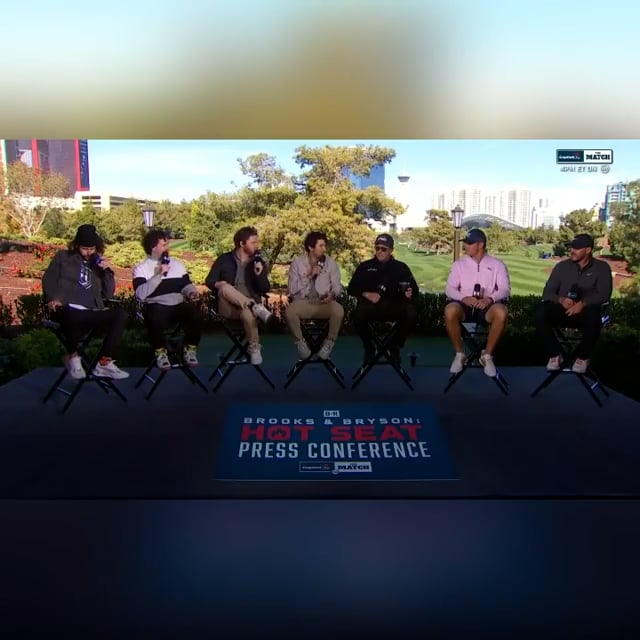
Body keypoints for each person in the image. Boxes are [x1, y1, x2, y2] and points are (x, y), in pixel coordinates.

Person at [41, 224, 129, 380]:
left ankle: (104, 363)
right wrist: (52, 298)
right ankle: (73, 357)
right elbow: (48, 279)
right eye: (84, 248)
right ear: (76, 245)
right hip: (66, 308)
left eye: (92, 249)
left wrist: (108, 272)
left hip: (90, 311)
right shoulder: (63, 257)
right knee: (71, 314)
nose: (88, 252)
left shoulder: (97, 264)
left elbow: (108, 294)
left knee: (120, 315)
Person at [536, 233, 612, 373]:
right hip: (563, 310)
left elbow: (604, 294)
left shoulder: (602, 268)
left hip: (587, 313)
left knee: (594, 314)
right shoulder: (562, 267)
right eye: (571, 247)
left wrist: (582, 304)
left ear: (588, 250)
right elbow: (547, 293)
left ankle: (582, 358)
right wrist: (561, 300)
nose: (572, 251)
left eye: (576, 248)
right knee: (541, 313)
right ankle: (555, 355)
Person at [444, 228, 511, 377]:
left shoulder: (497, 265)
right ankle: (460, 354)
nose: (465, 246)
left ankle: (487, 355)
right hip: (464, 305)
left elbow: (505, 289)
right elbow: (449, 289)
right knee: (450, 310)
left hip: (487, 306)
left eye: (469, 243)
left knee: (501, 312)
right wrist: (464, 298)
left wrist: (490, 298)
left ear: (480, 245)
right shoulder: (459, 264)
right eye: (466, 243)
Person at [132, 229, 203, 370]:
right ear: (153, 247)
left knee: (196, 313)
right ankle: (161, 353)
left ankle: (190, 349)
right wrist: (158, 275)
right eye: (164, 245)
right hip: (156, 305)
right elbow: (140, 294)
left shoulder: (177, 265)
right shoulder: (141, 269)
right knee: (154, 314)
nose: (167, 248)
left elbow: (185, 285)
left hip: (177, 304)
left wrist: (191, 292)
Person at [205, 226, 273, 366]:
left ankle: (254, 348)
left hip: (246, 309)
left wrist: (259, 274)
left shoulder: (257, 263)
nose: (257, 245)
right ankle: (253, 306)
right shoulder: (224, 259)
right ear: (242, 244)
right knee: (225, 287)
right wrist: (217, 284)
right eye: (253, 242)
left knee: (247, 313)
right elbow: (209, 281)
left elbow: (265, 288)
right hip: (228, 306)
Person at [347, 233, 418, 365]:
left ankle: (395, 345)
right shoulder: (365, 266)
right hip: (370, 307)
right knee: (357, 316)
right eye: (377, 248)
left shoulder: (401, 267)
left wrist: (410, 292)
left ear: (391, 250)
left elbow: (414, 289)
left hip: (395, 306)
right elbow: (351, 288)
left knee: (411, 313)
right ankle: (369, 347)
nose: (379, 251)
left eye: (383, 249)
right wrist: (366, 294)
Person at [286, 231, 344, 360]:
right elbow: (292, 290)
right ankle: (300, 343)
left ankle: (329, 343)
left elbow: (337, 286)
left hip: (323, 302)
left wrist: (332, 294)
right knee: (290, 311)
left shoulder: (331, 263)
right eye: (321, 246)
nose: (324, 249)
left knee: (338, 310)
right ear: (310, 247)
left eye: (325, 245)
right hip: (303, 302)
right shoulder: (297, 263)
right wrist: (309, 275)